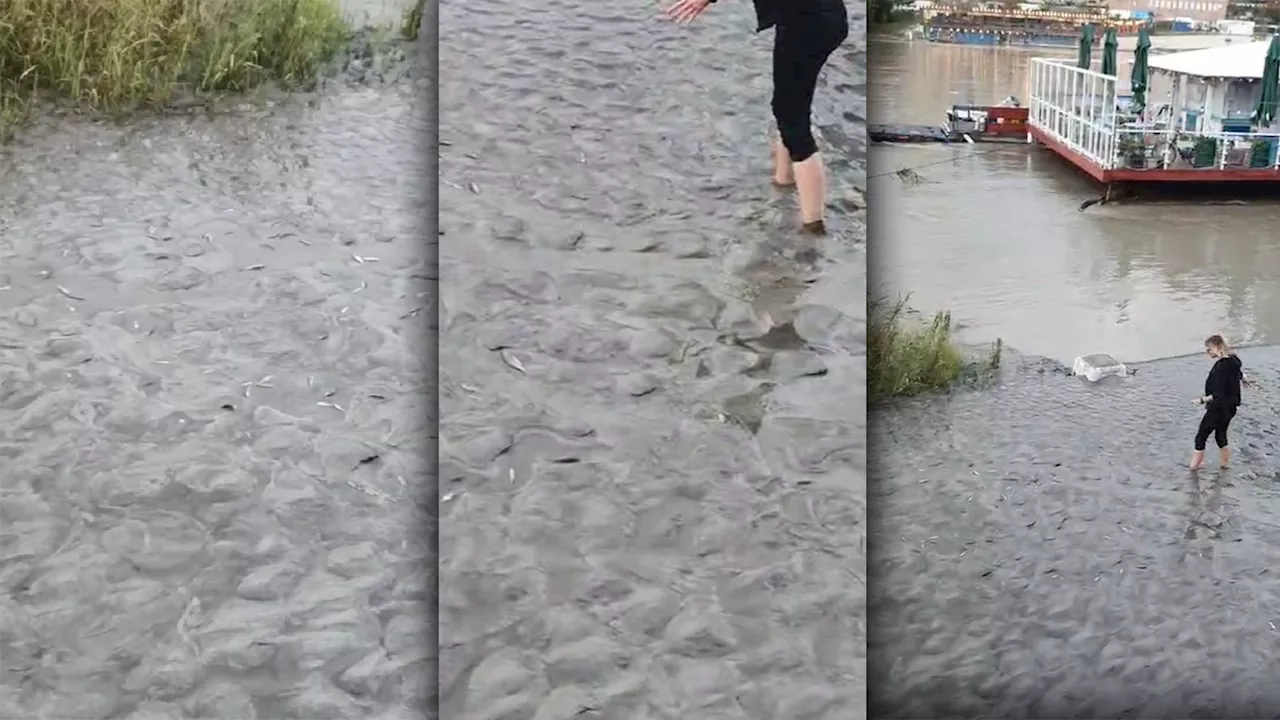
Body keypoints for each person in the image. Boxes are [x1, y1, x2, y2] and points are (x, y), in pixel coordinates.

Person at [662, 0, 849, 234]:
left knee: (791, 118)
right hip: (815, 19)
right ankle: (783, 186)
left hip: (809, 22)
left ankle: (813, 230)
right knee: (788, 109)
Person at [1190, 334, 1251, 470]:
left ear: (1217, 347)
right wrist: (1243, 378)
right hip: (1231, 408)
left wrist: (1201, 400)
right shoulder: (1233, 360)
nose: (1207, 352)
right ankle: (1224, 466)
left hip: (1218, 408)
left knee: (1201, 437)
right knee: (1220, 435)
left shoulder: (1220, 367)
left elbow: (1217, 395)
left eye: (1209, 349)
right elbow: (1238, 371)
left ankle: (1193, 468)